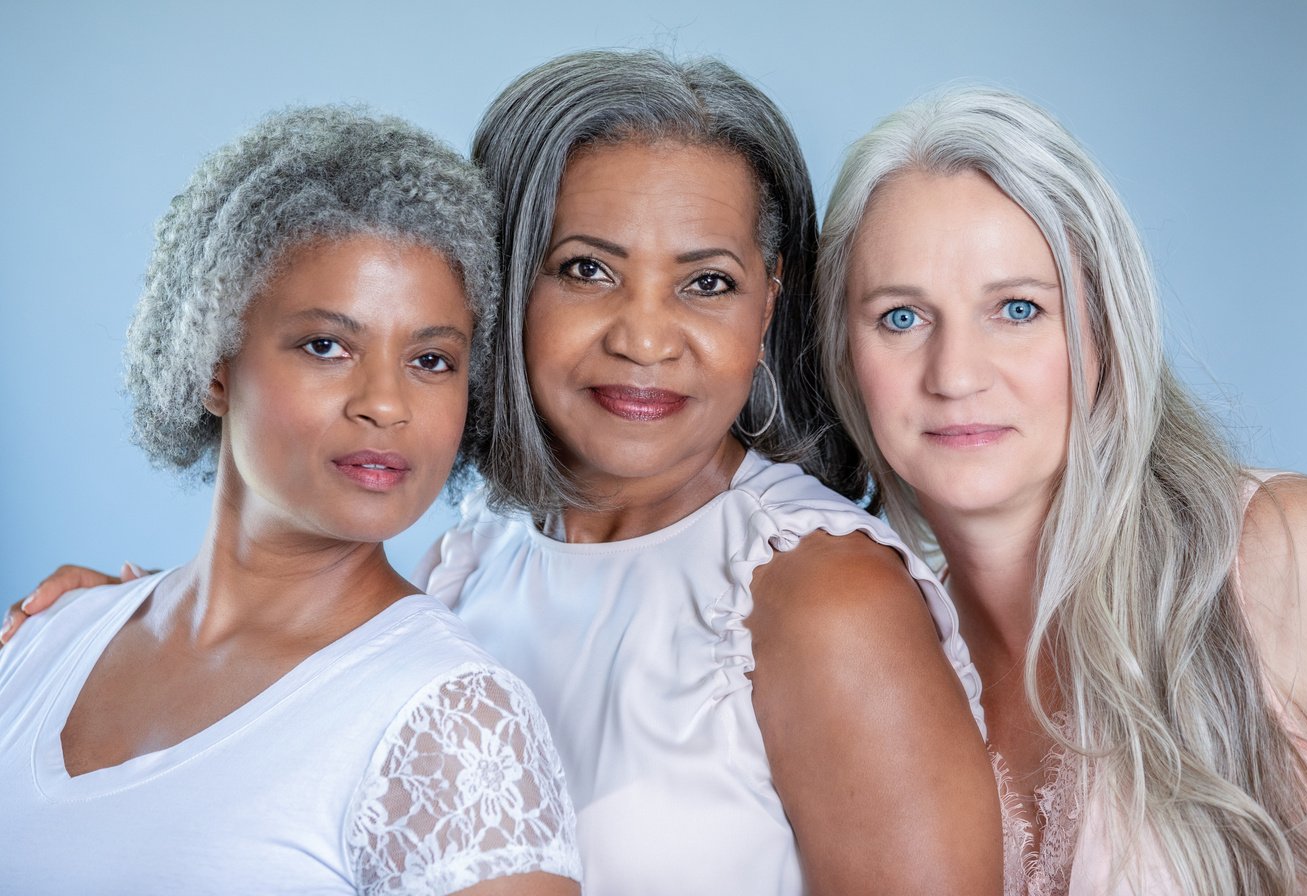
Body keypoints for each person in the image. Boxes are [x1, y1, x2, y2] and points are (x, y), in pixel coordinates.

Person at [6, 52, 1003, 895]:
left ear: (768, 301)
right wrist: (116, 635)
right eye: (586, 269)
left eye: (708, 283)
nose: (647, 336)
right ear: (499, 284)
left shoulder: (825, 595)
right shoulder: (468, 562)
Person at [0, 107, 580, 895]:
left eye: (432, 359)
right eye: (326, 346)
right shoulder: (46, 640)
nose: (386, 403)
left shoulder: (452, 722)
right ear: (213, 364)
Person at [814, 85, 1307, 895]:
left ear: (1103, 329)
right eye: (900, 318)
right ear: (843, 351)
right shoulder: (893, 675)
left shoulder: (1280, 555)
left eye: (1018, 309)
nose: (955, 375)